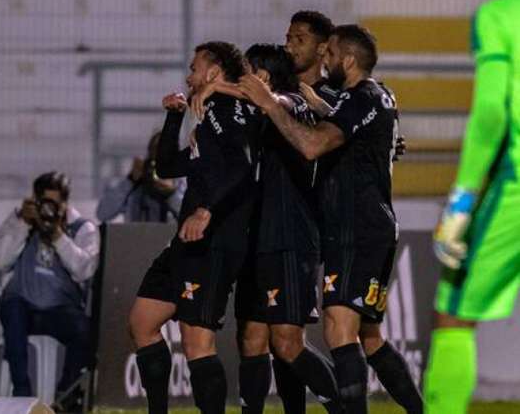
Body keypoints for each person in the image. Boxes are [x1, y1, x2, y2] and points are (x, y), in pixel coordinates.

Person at [238, 24, 399, 414]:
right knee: (261, 337)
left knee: (318, 335)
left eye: (303, 41)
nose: (293, 46)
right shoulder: (340, 99)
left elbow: (312, 143)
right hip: (290, 231)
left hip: (332, 230)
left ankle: (348, 410)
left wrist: (269, 103)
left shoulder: (343, 98)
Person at [129, 41, 254, 414]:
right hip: (187, 243)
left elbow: (242, 166)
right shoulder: (206, 115)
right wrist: (173, 118)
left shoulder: (227, 109)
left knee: (196, 341)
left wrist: (206, 212)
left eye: (194, 67)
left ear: (214, 73)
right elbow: (166, 167)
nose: (189, 75)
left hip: (213, 241)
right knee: (142, 322)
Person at [227, 44, 343, 414]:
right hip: (257, 240)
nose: (242, 78)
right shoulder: (257, 115)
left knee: (288, 343)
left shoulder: (291, 103)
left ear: (265, 75)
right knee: (251, 338)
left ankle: (345, 407)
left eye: (249, 71)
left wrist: (216, 87)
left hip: (290, 238)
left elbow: (280, 103)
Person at [424, 0, 520, 413]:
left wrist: (462, 196)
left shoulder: (499, 15)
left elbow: (491, 112)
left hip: (515, 187)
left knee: (454, 312)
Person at [0, 171, 100, 406]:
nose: (48, 209)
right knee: (12, 308)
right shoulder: (22, 219)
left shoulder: (82, 228)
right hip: (24, 305)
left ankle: (66, 398)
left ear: (65, 203)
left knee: (85, 330)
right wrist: (23, 224)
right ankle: (22, 395)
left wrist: (58, 236)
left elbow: (85, 270)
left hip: (59, 309)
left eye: (54, 203)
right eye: (44, 202)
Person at [96, 131, 186, 223]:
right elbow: (102, 213)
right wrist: (130, 180)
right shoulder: (135, 187)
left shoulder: (181, 184)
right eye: (156, 148)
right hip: (137, 236)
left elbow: (192, 219)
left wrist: (171, 194)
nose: (160, 153)